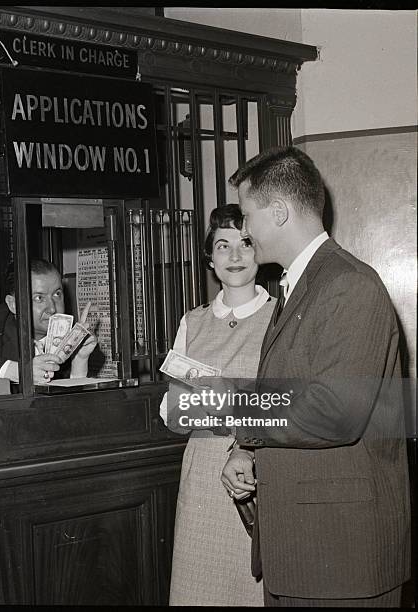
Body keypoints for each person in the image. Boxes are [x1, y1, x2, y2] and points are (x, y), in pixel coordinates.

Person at [221, 146, 411, 606]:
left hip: (339, 559)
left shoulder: (348, 285)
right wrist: (244, 449)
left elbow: (334, 411)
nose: (245, 231)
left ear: (280, 212)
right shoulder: (300, 285)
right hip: (301, 555)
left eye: (247, 216)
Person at [161, 204, 276, 606]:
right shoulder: (192, 322)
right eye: (223, 246)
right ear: (210, 259)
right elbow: (171, 410)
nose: (236, 255)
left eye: (245, 243)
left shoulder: (279, 316)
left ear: (260, 250)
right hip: (203, 469)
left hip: (258, 466)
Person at [0, 259, 97, 384]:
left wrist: (79, 361)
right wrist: (19, 371)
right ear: (13, 304)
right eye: (39, 298)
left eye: (57, 294)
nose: (52, 309)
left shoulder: (71, 335)